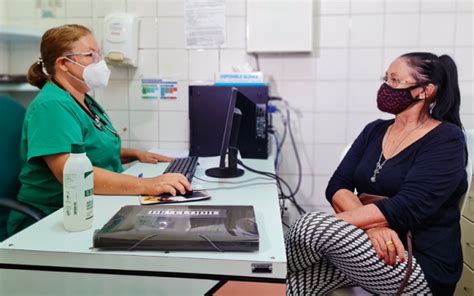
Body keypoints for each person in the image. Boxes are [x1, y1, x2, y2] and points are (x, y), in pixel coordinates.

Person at [285, 52, 467, 295]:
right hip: (371, 246)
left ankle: (258, 267)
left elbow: (407, 206)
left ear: (425, 91)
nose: (386, 87)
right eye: (386, 79)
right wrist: (373, 228)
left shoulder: (446, 139)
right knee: (295, 284)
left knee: (310, 225)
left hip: (417, 263)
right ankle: (260, 272)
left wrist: (344, 225)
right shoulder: (374, 130)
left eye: (395, 81)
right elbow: (337, 185)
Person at [7, 24, 192, 236]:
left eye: (99, 54)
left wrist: (133, 153)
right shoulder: (51, 106)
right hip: (52, 218)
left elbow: (86, 148)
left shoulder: (82, 100)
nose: (100, 62)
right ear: (64, 64)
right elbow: (73, 174)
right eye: (90, 55)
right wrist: (148, 185)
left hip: (92, 204)